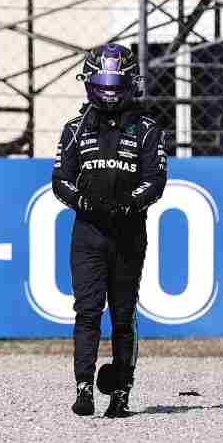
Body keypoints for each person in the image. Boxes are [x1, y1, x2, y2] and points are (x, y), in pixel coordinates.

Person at [52, 42, 167, 418]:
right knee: (87, 311)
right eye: (103, 85)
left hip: (128, 233)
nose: (110, 93)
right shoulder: (73, 129)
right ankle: (84, 388)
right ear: (89, 83)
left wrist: (129, 203)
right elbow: (60, 180)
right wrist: (83, 202)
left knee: (123, 313)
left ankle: (121, 392)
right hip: (88, 234)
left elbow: (156, 180)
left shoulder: (148, 129)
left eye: (116, 86)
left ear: (131, 85)